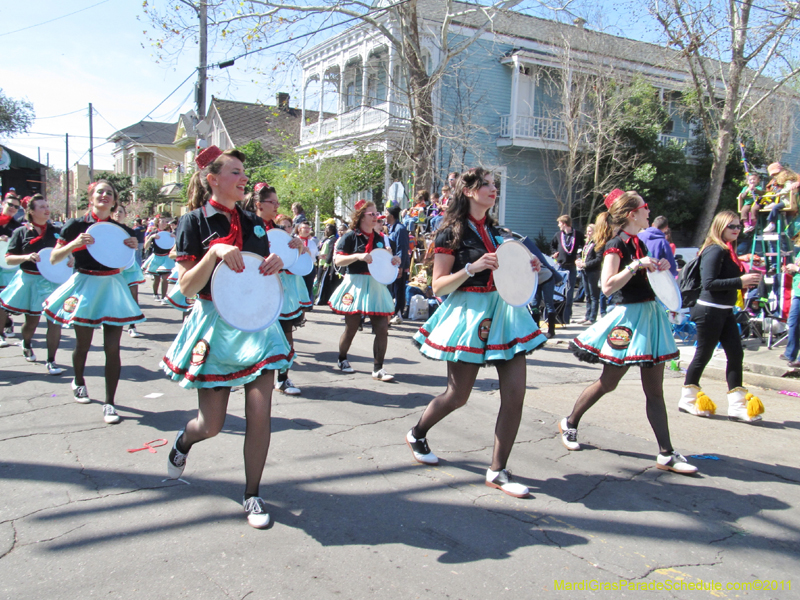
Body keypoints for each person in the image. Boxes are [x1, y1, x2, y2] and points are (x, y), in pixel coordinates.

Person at [160, 146, 293, 529]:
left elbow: (257, 279)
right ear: (212, 179)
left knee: (260, 413)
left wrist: (274, 266)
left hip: (255, 327)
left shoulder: (254, 222)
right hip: (214, 326)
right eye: (235, 172)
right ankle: (184, 443)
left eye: (244, 173)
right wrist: (213, 252)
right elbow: (187, 287)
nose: (243, 179)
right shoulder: (193, 222)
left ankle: (252, 494)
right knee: (211, 425)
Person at [407, 168, 547, 497]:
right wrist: (471, 267)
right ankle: (417, 432)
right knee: (458, 396)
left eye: (495, 184)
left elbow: (509, 274)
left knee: (515, 394)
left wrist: (528, 270)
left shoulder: (499, 232)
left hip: (505, 314)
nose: (493, 189)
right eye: (486, 184)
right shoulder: (450, 233)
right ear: (468, 191)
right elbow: (438, 285)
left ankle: (498, 471)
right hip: (468, 314)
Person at [561, 189, 698, 474]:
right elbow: (607, 286)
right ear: (632, 214)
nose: (650, 211)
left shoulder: (640, 243)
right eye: (645, 207)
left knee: (655, 391)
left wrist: (657, 270)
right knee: (608, 382)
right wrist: (637, 265)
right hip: (627, 321)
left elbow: (646, 280)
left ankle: (666, 453)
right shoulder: (616, 244)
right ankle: (570, 422)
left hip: (650, 317)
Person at [44, 180, 145, 424]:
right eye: (100, 191)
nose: (105, 195)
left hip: (112, 286)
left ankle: (110, 403)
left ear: (114, 201)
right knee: (83, 344)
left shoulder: (121, 230)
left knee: (113, 348)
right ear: (91, 197)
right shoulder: (76, 225)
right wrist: (74, 244)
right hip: (85, 285)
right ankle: (78, 381)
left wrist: (131, 248)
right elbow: (55, 258)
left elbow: (124, 263)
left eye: (110, 193)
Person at [679, 210, 765, 423]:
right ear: (720, 227)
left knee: (735, 354)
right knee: (703, 354)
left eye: (738, 226)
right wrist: (740, 282)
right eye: (732, 226)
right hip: (709, 310)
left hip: (724, 310)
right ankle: (687, 398)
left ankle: (737, 406)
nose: (737, 230)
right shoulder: (715, 250)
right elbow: (709, 284)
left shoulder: (727, 250)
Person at [244, 183, 310, 396]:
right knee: (255, 334)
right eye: (272, 202)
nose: (277, 206)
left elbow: (295, 260)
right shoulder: (245, 227)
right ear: (258, 205)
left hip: (279, 287)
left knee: (285, 332)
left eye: (277, 202)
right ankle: (248, 375)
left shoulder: (280, 232)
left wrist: (299, 248)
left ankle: (283, 378)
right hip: (254, 289)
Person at [329, 200, 401, 381]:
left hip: (375, 285)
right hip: (355, 284)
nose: (376, 217)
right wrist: (357, 256)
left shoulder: (380, 239)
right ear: (361, 216)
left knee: (382, 328)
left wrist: (393, 261)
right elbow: (337, 260)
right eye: (372, 214)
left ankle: (378, 368)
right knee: (351, 327)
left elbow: (384, 262)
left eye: (376, 214)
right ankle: (342, 358)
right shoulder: (350, 236)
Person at [0, 195, 68, 374]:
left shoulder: (56, 231)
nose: (47, 209)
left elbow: (65, 251)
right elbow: (9, 258)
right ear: (31, 211)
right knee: (31, 323)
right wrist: (26, 257)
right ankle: (27, 343)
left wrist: (70, 258)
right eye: (41, 207)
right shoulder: (21, 232)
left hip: (52, 281)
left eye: (47, 206)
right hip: (29, 280)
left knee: (55, 321)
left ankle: (51, 360)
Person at [114, 205, 146, 338]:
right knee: (115, 297)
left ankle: (132, 325)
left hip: (129, 267)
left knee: (133, 296)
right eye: (115, 211)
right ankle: (113, 322)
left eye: (120, 211)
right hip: (113, 268)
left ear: (125, 214)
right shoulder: (106, 229)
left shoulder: (130, 231)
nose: (117, 213)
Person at [550, 215, 585, 323]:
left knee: (569, 292)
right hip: (560, 266)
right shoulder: (558, 235)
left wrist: (579, 256)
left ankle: (567, 316)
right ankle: (557, 315)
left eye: (559, 223)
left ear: (564, 223)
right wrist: (554, 253)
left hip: (571, 266)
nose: (558, 225)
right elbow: (552, 245)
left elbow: (584, 247)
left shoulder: (577, 234)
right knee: (559, 290)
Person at [0, 193, 24, 347]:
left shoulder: (18, 227)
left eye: (16, 207)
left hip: (8, 268)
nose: (13, 209)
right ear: (3, 204)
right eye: (10, 205)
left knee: (3, 299)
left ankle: (4, 326)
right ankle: (6, 323)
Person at [142, 216, 176, 303]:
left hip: (167, 258)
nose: (164, 223)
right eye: (162, 221)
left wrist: (175, 238)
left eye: (165, 221)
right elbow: (145, 247)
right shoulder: (154, 233)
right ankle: (155, 294)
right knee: (156, 278)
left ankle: (164, 297)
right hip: (157, 257)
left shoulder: (170, 234)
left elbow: (175, 245)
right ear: (158, 223)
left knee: (165, 278)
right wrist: (151, 238)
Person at [385, 204, 409, 324]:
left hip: (399, 264)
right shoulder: (391, 228)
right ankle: (393, 312)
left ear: (391, 215)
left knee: (399, 289)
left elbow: (402, 249)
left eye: (386, 213)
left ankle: (398, 313)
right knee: (393, 289)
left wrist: (400, 266)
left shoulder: (400, 229)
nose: (385, 216)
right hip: (392, 264)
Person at [762, 162, 800, 234]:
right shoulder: (773, 182)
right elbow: (768, 192)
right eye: (773, 174)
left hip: (789, 206)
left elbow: (789, 188)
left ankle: (788, 243)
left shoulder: (791, 177)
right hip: (779, 206)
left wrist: (797, 183)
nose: (775, 176)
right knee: (774, 232)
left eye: (776, 173)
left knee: (788, 230)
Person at [575, 223, 600, 325]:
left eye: (590, 231)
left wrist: (585, 264)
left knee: (594, 295)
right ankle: (587, 316)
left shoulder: (597, 243)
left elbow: (598, 259)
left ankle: (592, 318)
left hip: (593, 271)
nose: (588, 233)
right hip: (585, 271)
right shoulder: (587, 243)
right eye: (587, 231)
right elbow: (581, 254)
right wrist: (578, 261)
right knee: (587, 295)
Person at [315, 223, 341, 305]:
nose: (326, 231)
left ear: (332, 231)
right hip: (320, 263)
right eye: (325, 229)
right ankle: (321, 297)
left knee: (322, 282)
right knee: (319, 281)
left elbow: (330, 252)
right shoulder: (325, 239)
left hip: (326, 264)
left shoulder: (332, 239)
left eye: (328, 229)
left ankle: (320, 299)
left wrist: (327, 263)